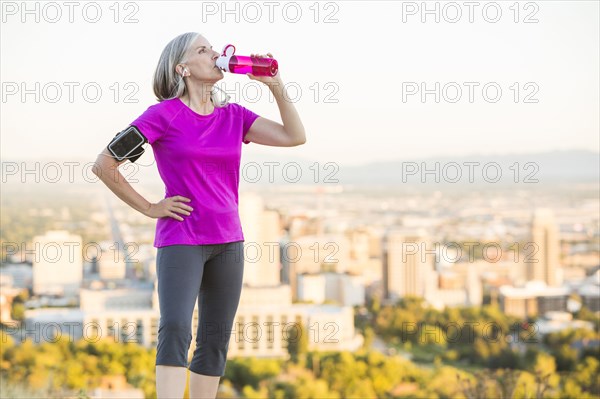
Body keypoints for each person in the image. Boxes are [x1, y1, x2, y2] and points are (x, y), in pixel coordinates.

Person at [93, 32, 306, 399]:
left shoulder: (234, 116)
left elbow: (294, 136)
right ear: (183, 68)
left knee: (215, 336)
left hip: (229, 242)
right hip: (182, 240)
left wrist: (275, 85)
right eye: (203, 50)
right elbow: (104, 164)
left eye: (213, 48)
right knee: (175, 327)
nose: (215, 53)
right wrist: (149, 207)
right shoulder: (162, 114)